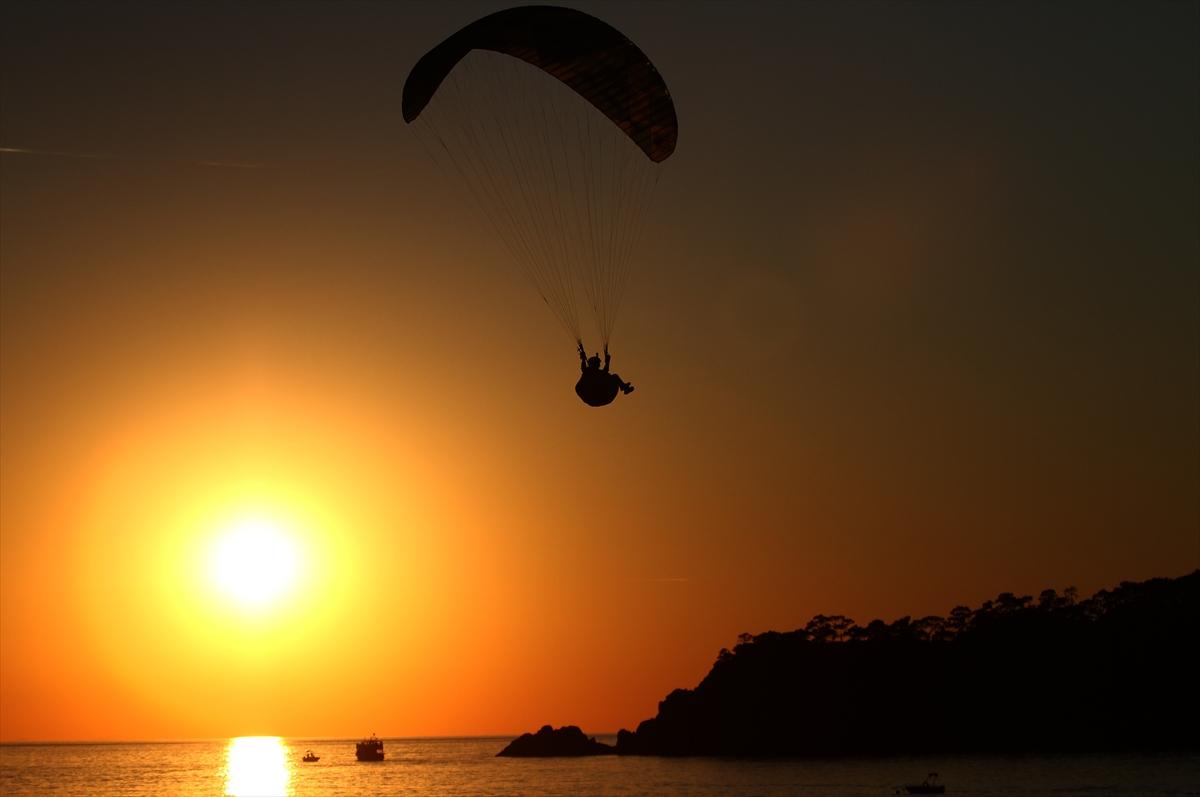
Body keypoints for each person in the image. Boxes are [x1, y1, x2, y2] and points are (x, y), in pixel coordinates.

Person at [575, 341, 634, 407]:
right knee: (614, 376)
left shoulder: (596, 372)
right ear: (594, 363)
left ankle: (624, 388)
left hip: (600, 396)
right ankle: (624, 387)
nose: (599, 365)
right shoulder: (588, 371)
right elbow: (584, 369)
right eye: (597, 363)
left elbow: (605, 372)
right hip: (593, 396)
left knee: (614, 377)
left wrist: (607, 362)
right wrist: (583, 359)